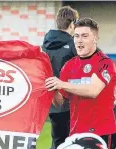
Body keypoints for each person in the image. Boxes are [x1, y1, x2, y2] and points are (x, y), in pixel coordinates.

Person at [45, 17, 116, 149]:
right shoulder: (69, 66)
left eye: (84, 36)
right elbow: (59, 102)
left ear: (95, 38)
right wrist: (53, 88)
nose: (79, 40)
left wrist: (62, 84)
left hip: (101, 133)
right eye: (76, 36)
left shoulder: (104, 63)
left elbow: (93, 91)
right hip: (76, 134)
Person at [41, 6, 79, 149]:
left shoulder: (44, 45)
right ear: (72, 24)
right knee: (73, 143)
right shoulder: (74, 45)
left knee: (58, 142)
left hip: (52, 104)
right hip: (72, 103)